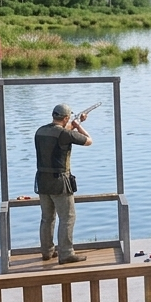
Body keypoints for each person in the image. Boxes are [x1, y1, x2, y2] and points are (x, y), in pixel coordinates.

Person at [35, 103, 92, 265]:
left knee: (47, 218)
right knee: (68, 217)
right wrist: (78, 126)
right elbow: (88, 141)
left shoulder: (40, 131)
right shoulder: (64, 133)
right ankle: (66, 253)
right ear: (66, 118)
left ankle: (47, 251)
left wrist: (73, 125)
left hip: (42, 181)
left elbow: (60, 136)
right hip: (60, 182)